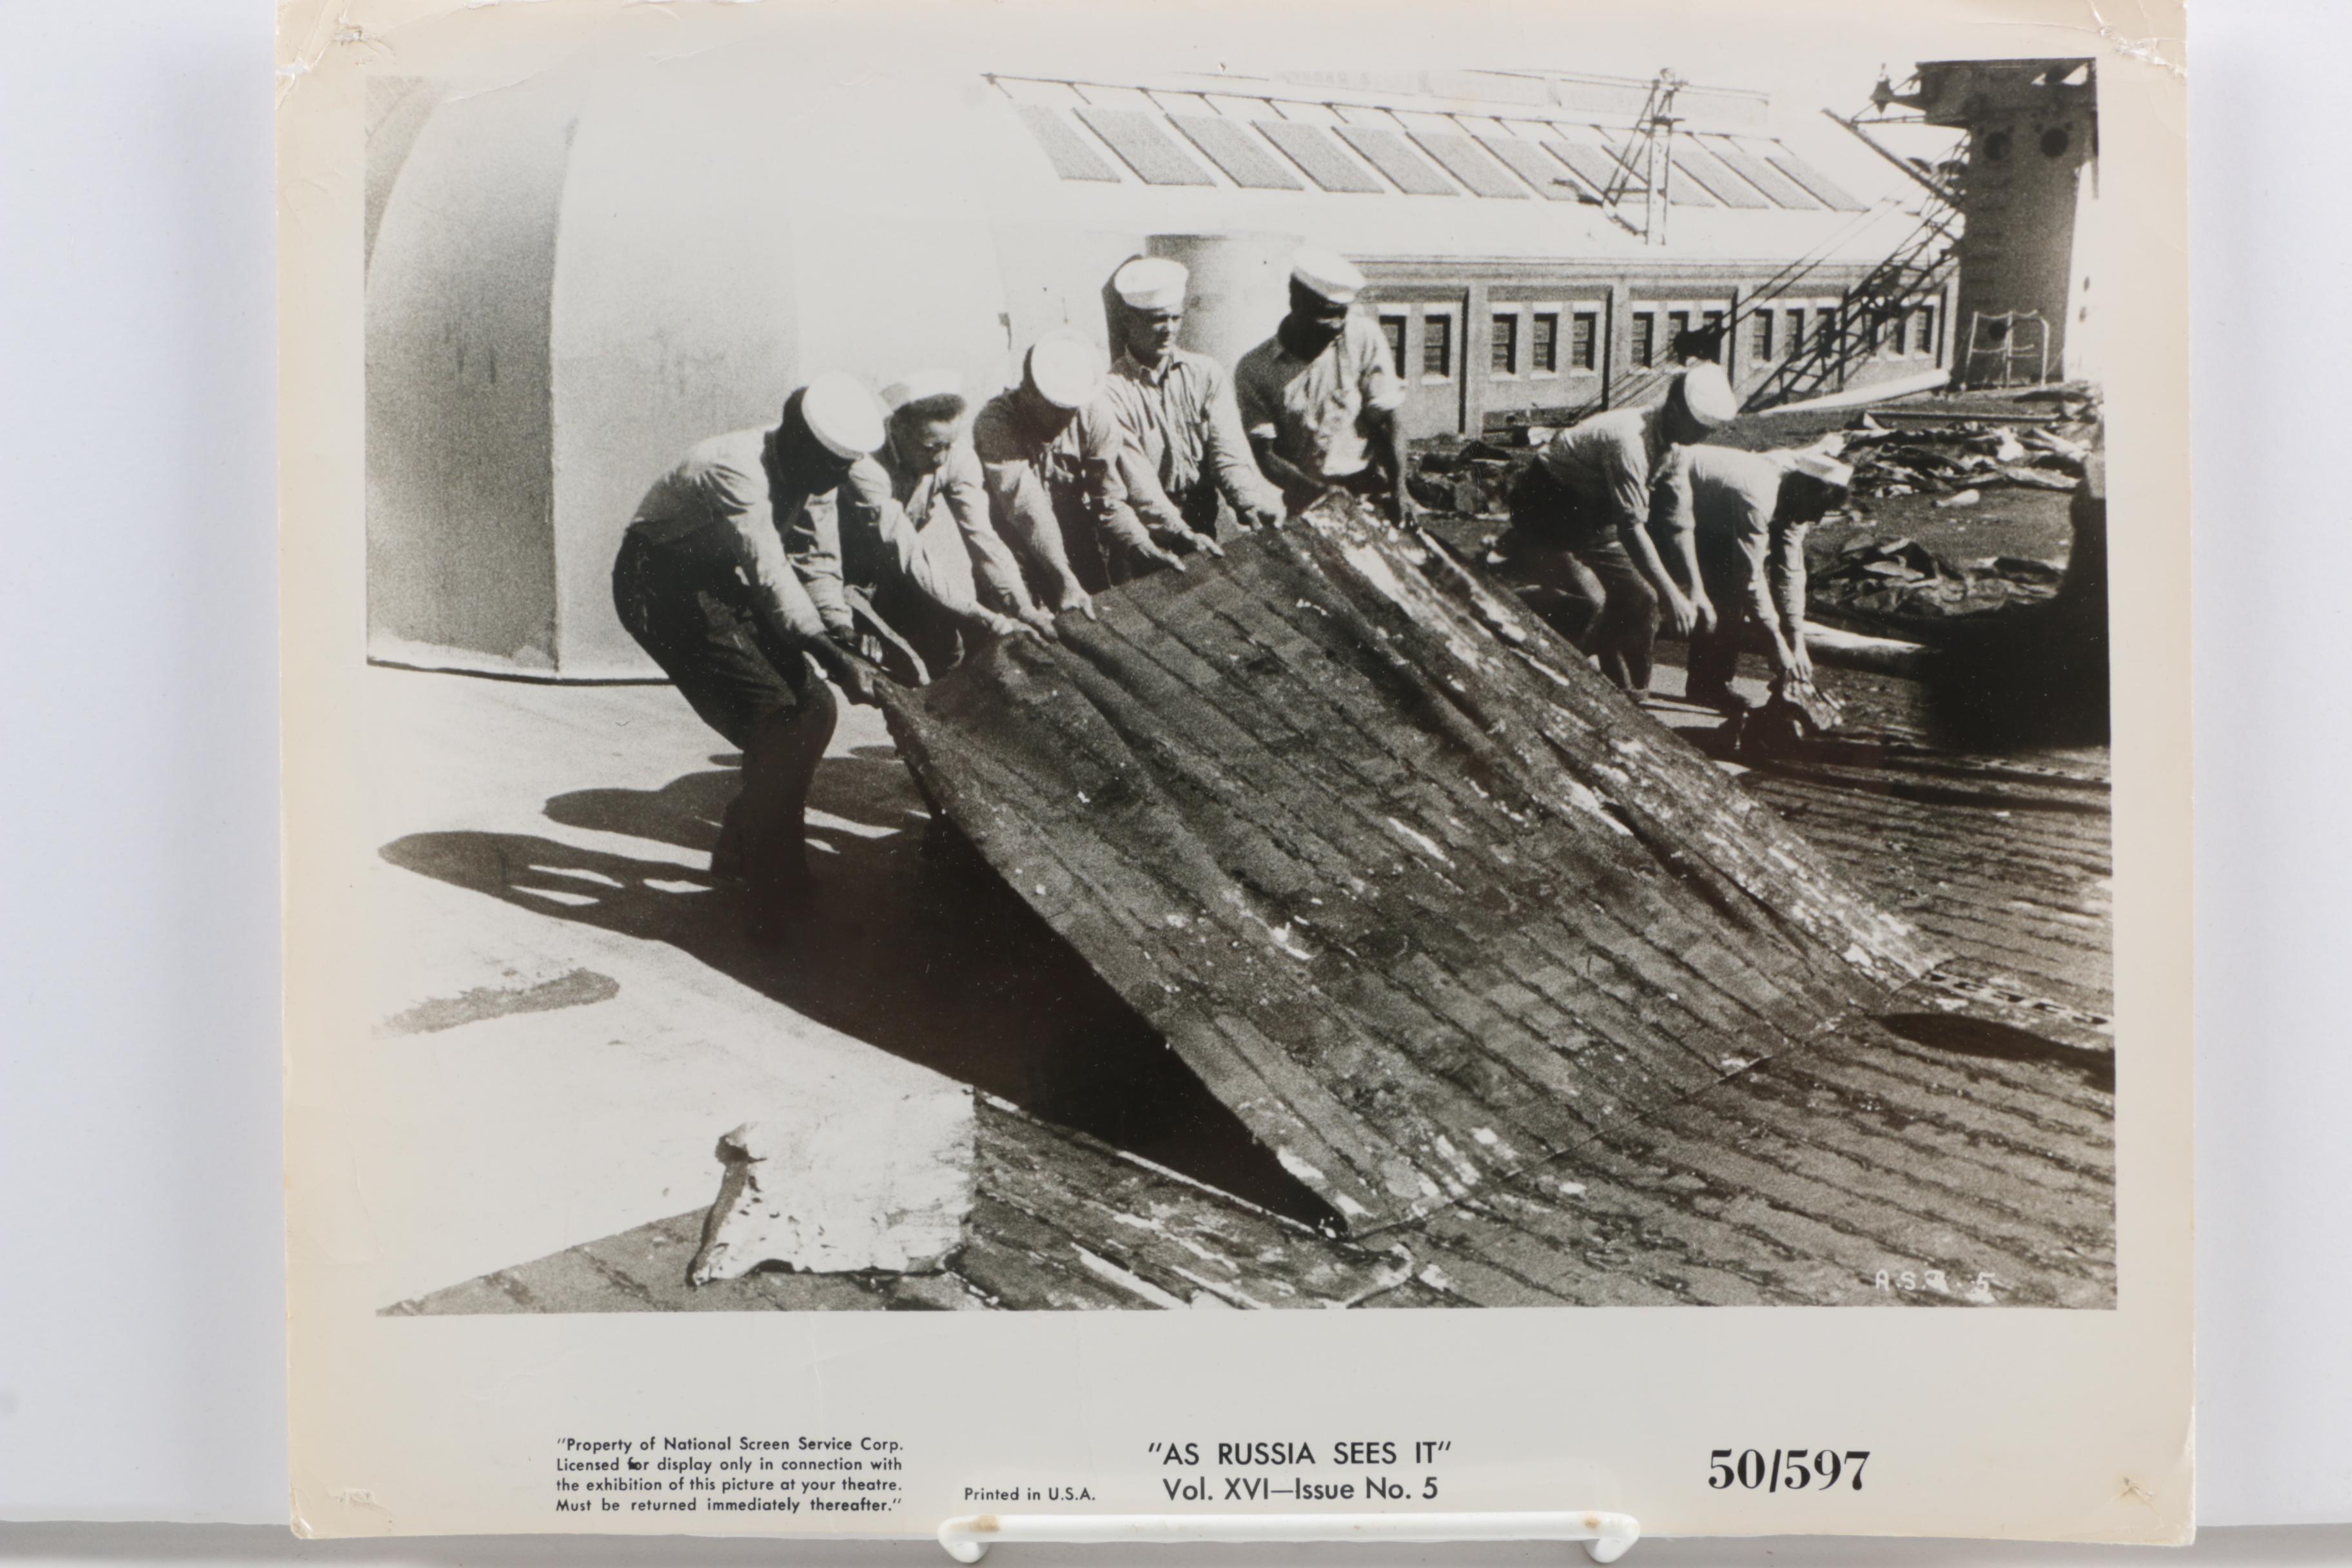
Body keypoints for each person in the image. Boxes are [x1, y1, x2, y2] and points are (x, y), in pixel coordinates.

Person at [611, 374, 889, 939]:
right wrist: (834, 659)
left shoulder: (819, 468)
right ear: (798, 443)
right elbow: (771, 577)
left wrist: (839, 632)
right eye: (834, 467)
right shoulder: (735, 466)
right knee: (776, 718)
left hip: (713, 579)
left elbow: (814, 556)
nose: (839, 480)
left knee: (814, 709)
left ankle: (744, 837)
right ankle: (768, 871)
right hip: (657, 584)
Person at [783, 372, 1050, 683]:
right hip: (839, 577)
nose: (941, 458)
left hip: (890, 572)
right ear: (898, 427)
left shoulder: (955, 455)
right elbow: (907, 550)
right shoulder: (865, 463)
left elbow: (982, 537)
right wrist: (988, 619)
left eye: (948, 445)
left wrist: (1022, 606)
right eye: (930, 447)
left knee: (947, 650)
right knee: (899, 663)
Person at [1494, 360, 1740, 695]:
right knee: (1591, 604)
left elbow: (1679, 523)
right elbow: (1631, 526)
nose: (1703, 437)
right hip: (1547, 505)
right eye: (1700, 428)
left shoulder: (1675, 447)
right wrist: (1672, 594)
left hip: (1592, 512)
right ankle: (1534, 668)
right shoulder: (1629, 439)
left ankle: (1629, 696)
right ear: (1677, 411)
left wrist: (1696, 591)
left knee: (1640, 599)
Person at [970, 330, 1191, 600]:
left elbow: (1109, 501)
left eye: (1072, 409)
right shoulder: (994, 424)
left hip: (1075, 535)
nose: (1066, 419)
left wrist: (1142, 545)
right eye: (1057, 408)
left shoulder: (1095, 415)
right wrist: (1063, 577)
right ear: (1028, 393)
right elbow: (1027, 508)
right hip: (1011, 541)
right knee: (1016, 629)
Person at [1097, 255, 1284, 545]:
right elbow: (1140, 485)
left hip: (1202, 516)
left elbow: (1228, 454)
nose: (1169, 329)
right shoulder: (1111, 391)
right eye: (1157, 319)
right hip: (1144, 532)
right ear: (1128, 320)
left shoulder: (1206, 373)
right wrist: (1181, 533)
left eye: (1176, 317)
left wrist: (1249, 502)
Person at [1649, 445, 1852, 710]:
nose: (1817, 518)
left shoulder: (1796, 503)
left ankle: (1709, 685)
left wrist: (1796, 639)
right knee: (1661, 589)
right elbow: (1750, 577)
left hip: (1712, 515)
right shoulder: (1758, 494)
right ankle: (1626, 673)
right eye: (1818, 508)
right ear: (1803, 489)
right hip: (1661, 489)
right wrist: (1775, 642)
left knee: (1728, 593)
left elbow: (1789, 573)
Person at [1233, 244, 1414, 522]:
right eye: (1326, 313)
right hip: (1306, 499)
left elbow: (1388, 420)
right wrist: (1321, 495)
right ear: (1295, 299)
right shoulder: (1255, 369)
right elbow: (1265, 455)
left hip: (1368, 489)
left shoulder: (1364, 336)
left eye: (1343, 313)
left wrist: (1400, 489)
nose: (1337, 324)